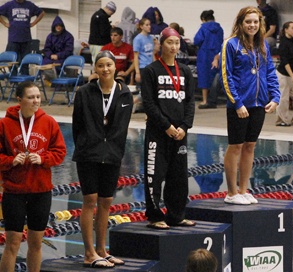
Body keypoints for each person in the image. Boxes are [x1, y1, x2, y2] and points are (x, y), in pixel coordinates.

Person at [72, 50, 133, 268]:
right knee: (90, 201)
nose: (105, 69)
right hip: (89, 154)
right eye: (100, 66)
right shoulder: (85, 92)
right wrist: (88, 144)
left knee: (106, 202)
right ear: (95, 69)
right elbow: (77, 126)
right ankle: (89, 253)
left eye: (108, 65)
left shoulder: (125, 94)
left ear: (115, 67)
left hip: (113, 155)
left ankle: (102, 250)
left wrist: (115, 149)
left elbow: (123, 127)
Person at [0, 81, 66, 272]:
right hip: (15, 191)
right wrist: (11, 160)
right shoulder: (5, 124)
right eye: (30, 97)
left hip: (41, 191)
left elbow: (60, 152)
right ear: (19, 100)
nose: (36, 101)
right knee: (12, 243)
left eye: (38, 97)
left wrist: (43, 158)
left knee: (36, 243)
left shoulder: (49, 122)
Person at [219, 6, 280, 205]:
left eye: (255, 22)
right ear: (240, 23)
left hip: (259, 104)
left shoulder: (262, 44)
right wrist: (237, 103)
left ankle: (244, 190)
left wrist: (275, 97)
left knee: (250, 146)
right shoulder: (231, 44)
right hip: (240, 105)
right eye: (248, 22)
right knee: (235, 146)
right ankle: (231, 192)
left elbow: (270, 71)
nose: (252, 25)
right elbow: (226, 77)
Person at [141, 27, 196, 229]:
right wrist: (166, 126)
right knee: (154, 176)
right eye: (169, 43)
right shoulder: (151, 71)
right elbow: (149, 104)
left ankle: (176, 215)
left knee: (179, 177)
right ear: (161, 44)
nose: (173, 47)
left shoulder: (185, 71)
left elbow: (190, 102)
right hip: (158, 132)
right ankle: (155, 216)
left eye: (176, 43)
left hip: (180, 133)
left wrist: (184, 126)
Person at [275, 21, 293, 126]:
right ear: (286, 30)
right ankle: (282, 119)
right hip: (284, 74)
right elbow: (285, 62)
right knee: (283, 97)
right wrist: (292, 75)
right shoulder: (283, 44)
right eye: (292, 28)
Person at [194, 10, 224, 109]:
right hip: (217, 55)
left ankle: (205, 100)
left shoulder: (203, 28)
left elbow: (197, 40)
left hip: (204, 54)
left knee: (204, 77)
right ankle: (213, 98)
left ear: (203, 19)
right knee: (215, 77)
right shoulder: (220, 29)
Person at [41, 16, 74, 81]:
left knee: (57, 65)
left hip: (63, 57)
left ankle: (57, 81)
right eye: (57, 25)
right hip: (51, 57)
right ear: (54, 27)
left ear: (62, 26)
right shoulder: (50, 36)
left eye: (60, 25)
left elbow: (68, 50)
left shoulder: (68, 36)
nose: (58, 27)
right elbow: (47, 48)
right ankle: (51, 80)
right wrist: (50, 55)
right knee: (43, 64)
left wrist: (58, 55)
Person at [133, 18, 159, 85]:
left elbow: (152, 54)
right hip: (142, 67)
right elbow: (136, 56)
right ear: (141, 27)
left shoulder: (150, 38)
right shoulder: (138, 39)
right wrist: (137, 72)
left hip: (151, 66)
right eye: (146, 25)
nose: (149, 26)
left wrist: (156, 66)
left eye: (149, 25)